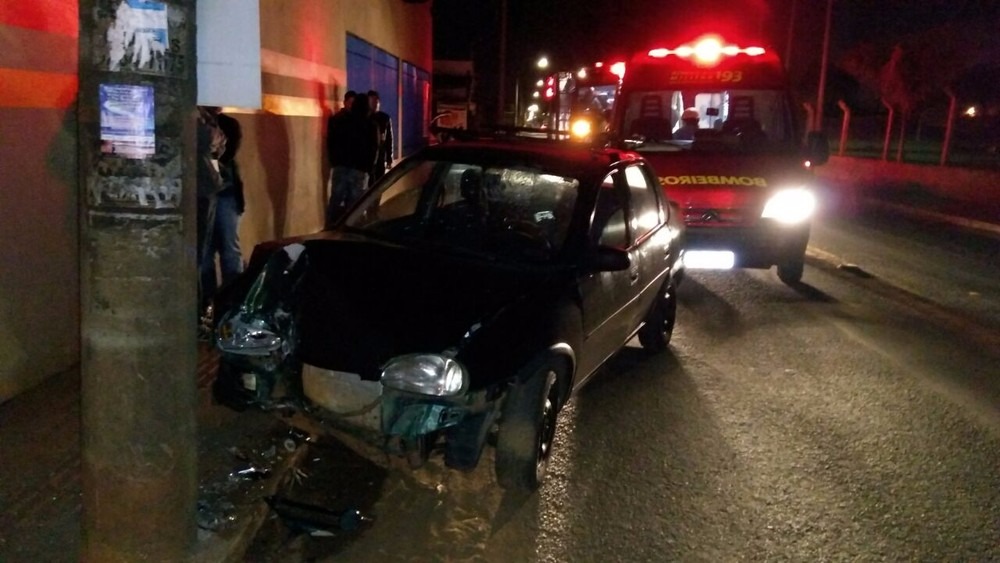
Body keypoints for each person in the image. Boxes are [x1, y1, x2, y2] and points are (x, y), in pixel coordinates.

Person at [201, 109, 245, 305]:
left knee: (227, 250)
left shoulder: (226, 124)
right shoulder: (199, 122)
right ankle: (209, 302)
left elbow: (226, 153)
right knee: (207, 253)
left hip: (224, 192)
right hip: (208, 192)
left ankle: (233, 299)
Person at [325, 92, 378, 228]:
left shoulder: (340, 120)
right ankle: (350, 233)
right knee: (355, 206)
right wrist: (368, 167)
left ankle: (330, 229)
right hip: (359, 169)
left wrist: (335, 161)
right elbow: (373, 148)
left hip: (341, 166)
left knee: (335, 201)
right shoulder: (370, 124)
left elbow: (332, 143)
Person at [196, 105, 227, 317]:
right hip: (200, 189)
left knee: (202, 252)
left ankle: (202, 305)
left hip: (206, 188)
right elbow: (209, 140)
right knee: (198, 253)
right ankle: (199, 308)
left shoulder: (209, 117)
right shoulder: (196, 114)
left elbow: (221, 143)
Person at [367, 90, 393, 186]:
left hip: (380, 158)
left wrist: (389, 158)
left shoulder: (385, 118)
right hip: (368, 159)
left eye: (375, 101)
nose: (374, 104)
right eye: (371, 101)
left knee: (379, 184)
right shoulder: (365, 118)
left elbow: (389, 139)